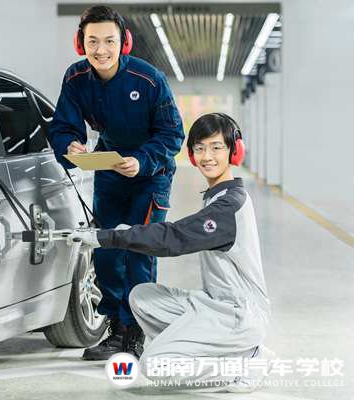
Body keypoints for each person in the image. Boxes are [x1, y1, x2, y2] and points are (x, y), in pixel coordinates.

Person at [70, 113, 272, 392]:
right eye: (200, 148)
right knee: (141, 296)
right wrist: (126, 231)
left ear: (234, 151)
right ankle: (209, 349)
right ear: (191, 155)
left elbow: (174, 238)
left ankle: (246, 363)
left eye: (216, 147)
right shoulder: (219, 195)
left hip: (239, 315)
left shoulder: (228, 206)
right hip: (216, 305)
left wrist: (106, 237)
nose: (207, 156)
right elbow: (179, 232)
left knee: (154, 366)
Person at [48, 5, 184, 360]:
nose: (101, 50)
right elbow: (63, 126)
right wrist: (70, 145)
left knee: (138, 250)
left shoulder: (149, 80)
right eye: (92, 41)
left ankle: (136, 330)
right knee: (106, 250)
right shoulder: (76, 78)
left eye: (109, 41)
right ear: (81, 43)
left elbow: (172, 134)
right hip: (109, 169)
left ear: (124, 42)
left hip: (151, 174)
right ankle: (116, 329)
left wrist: (142, 161)